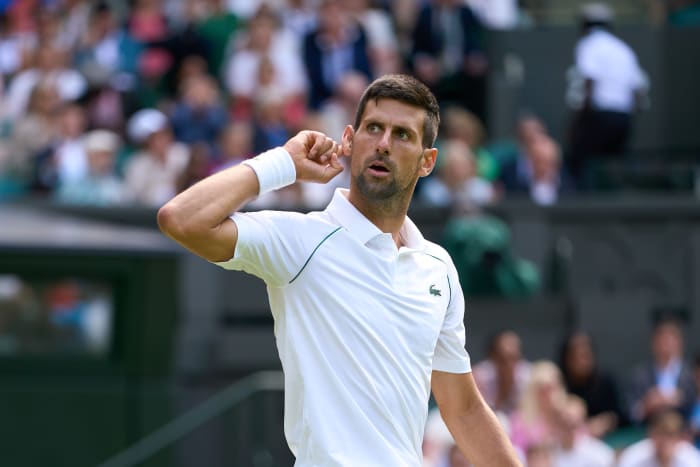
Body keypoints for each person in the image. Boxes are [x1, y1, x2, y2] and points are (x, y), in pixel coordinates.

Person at [158, 74, 520, 466]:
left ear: (426, 161)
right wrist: (282, 164)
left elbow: (463, 408)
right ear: (350, 139)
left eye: (402, 135)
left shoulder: (438, 267)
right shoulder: (300, 241)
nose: (383, 143)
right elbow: (182, 219)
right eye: (374, 128)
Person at [565, 2, 648, 186]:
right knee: (612, 168)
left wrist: (578, 121)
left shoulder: (588, 44)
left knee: (578, 164)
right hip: (623, 118)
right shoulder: (623, 49)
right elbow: (638, 91)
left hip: (600, 115)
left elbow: (589, 81)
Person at [627, 316, 697, 426]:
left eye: (670, 340)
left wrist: (680, 399)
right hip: (649, 433)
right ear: (654, 343)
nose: (665, 346)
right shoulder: (640, 374)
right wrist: (646, 405)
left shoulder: (692, 373)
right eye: (662, 340)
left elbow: (696, 407)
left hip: (684, 434)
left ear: (679, 343)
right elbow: (629, 413)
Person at [616, 408, 700, 467]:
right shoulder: (634, 456)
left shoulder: (692, 459)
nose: (665, 441)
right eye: (660, 435)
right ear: (651, 434)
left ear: (679, 438)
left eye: (670, 435)